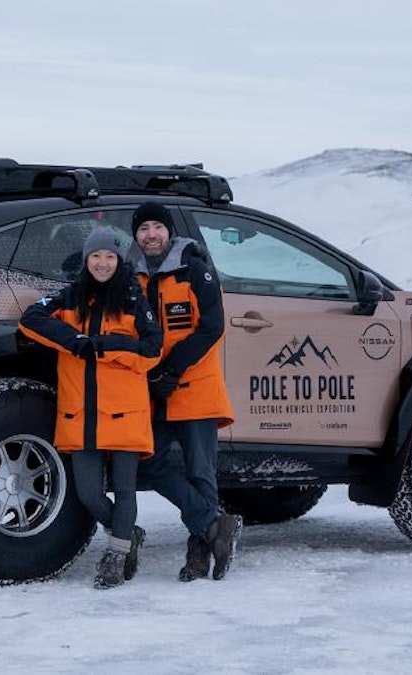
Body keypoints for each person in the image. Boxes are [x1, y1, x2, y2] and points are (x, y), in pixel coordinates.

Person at [18, 227, 163, 589]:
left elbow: (152, 349)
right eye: (96, 256)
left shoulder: (133, 298)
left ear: (119, 261)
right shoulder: (70, 296)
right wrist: (74, 341)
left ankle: (116, 555)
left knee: (125, 489)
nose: (102, 263)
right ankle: (127, 533)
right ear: (86, 259)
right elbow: (31, 319)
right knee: (89, 494)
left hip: (125, 411)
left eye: (110, 257)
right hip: (80, 413)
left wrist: (106, 346)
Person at [129, 201, 241, 582]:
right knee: (150, 462)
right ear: (136, 236)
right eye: (143, 229)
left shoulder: (195, 269)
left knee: (200, 473)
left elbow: (212, 327)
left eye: (157, 227)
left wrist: (172, 368)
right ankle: (213, 524)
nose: (151, 235)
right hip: (155, 393)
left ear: (169, 232)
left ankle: (199, 556)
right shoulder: (132, 278)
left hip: (194, 388)